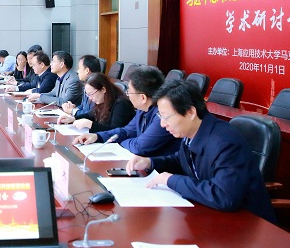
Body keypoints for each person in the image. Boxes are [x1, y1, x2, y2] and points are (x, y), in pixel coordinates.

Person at [126, 80, 276, 223]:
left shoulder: (225, 142)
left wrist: (171, 180)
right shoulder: (193, 132)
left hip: (248, 225)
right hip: (213, 217)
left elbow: (224, 196)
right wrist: (150, 162)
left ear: (191, 112)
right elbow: (181, 160)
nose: (162, 124)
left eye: (166, 117)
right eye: (160, 116)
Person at [72, 66, 180, 157]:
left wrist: (120, 142)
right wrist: (98, 137)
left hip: (160, 169)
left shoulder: (162, 116)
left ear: (142, 98)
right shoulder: (142, 110)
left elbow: (140, 147)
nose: (127, 95)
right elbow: (126, 131)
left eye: (129, 92)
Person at [59, 73, 135, 133]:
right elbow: (91, 114)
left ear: (103, 89)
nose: (90, 98)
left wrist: (90, 124)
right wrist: (73, 119)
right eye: (87, 95)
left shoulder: (121, 104)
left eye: (91, 94)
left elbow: (116, 132)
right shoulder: (102, 100)